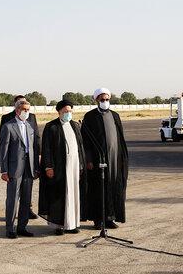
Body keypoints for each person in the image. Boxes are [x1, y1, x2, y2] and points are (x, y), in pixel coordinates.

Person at [81, 88, 129, 230]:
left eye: (107, 99)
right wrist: (88, 159)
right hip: (97, 160)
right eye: (102, 99)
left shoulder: (115, 116)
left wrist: (121, 158)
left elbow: (120, 138)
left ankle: (110, 218)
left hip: (114, 159)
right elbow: (86, 141)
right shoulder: (90, 117)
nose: (105, 102)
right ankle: (98, 219)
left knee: (113, 187)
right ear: (96, 100)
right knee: (99, 189)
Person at [38, 99, 87, 235]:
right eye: (65, 112)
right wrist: (48, 167)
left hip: (74, 166)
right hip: (59, 168)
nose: (68, 114)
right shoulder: (51, 126)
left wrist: (81, 164)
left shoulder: (75, 126)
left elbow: (80, 147)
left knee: (73, 194)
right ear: (59, 112)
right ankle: (58, 225)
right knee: (59, 195)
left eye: (70, 111)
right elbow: (46, 148)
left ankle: (71, 224)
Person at [0, 99, 40, 238]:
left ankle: (22, 227)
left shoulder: (31, 126)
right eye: (24, 110)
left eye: (28, 110)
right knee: (12, 199)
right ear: (17, 110)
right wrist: (4, 170)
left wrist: (35, 168)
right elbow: (3, 151)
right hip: (14, 168)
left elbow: (34, 148)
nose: (26, 112)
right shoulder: (8, 127)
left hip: (29, 168)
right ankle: (10, 228)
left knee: (26, 200)